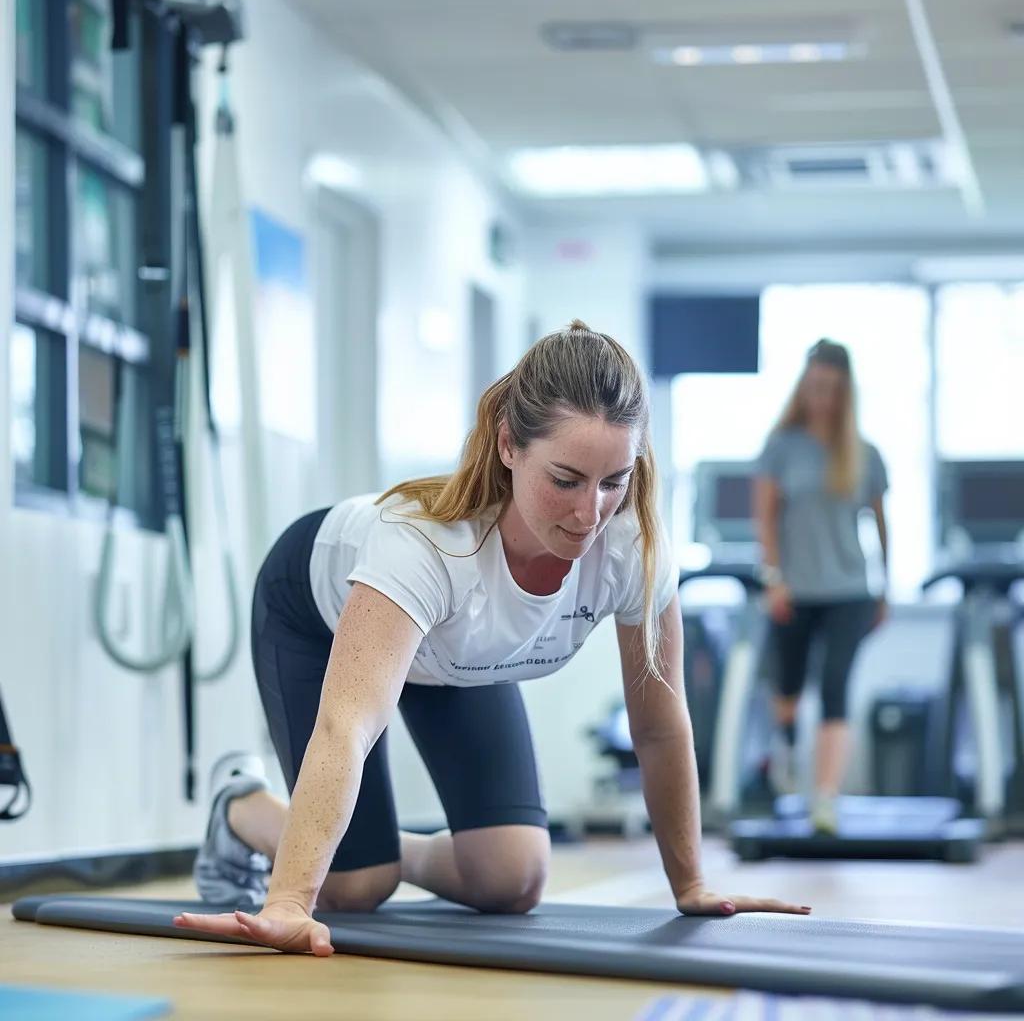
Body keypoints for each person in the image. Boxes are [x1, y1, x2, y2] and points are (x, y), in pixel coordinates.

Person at [176, 320, 810, 956]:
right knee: (355, 885)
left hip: (451, 653)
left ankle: (377, 852)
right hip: (314, 610)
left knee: (513, 876)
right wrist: (288, 900)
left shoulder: (632, 547)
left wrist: (691, 882)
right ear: (509, 445)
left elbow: (659, 724)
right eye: (565, 480)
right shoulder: (425, 548)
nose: (590, 514)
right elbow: (349, 724)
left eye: (614, 480)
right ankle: (241, 809)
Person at [754, 339, 889, 835]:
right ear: (803, 387)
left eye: (831, 389)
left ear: (845, 392)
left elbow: (879, 522)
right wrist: (773, 579)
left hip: (851, 589)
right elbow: (765, 517)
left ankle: (825, 800)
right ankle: (787, 753)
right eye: (815, 387)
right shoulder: (781, 447)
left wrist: (885, 588)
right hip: (795, 590)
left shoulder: (865, 453)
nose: (822, 398)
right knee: (787, 687)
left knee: (835, 687)